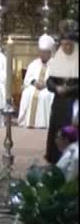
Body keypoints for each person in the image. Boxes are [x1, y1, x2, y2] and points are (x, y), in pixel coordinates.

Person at [45, 31, 79, 164]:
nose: (67, 48)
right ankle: (55, 159)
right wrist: (56, 88)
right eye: (64, 45)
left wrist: (69, 89)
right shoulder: (58, 61)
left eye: (70, 45)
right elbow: (49, 81)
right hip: (59, 103)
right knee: (57, 131)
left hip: (74, 102)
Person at [18, 34, 55, 129]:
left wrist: (46, 84)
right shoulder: (34, 63)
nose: (42, 54)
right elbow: (27, 78)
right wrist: (34, 83)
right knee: (27, 92)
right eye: (41, 52)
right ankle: (28, 122)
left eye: (45, 52)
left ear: (50, 53)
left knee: (45, 95)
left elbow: (56, 80)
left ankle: (44, 123)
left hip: (48, 88)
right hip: (35, 86)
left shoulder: (55, 64)